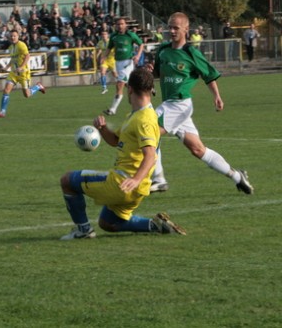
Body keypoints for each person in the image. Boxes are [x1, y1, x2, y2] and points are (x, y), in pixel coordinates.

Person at [59, 67, 186, 240]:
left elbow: (150, 155)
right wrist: (103, 128)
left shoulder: (145, 120)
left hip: (123, 182)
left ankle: (83, 231)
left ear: (130, 89)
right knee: (108, 222)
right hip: (135, 189)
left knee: (67, 181)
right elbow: (115, 140)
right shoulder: (136, 115)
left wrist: (135, 179)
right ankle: (154, 225)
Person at [147, 12, 253, 195]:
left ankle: (159, 179)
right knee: (198, 149)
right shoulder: (163, 50)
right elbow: (157, 73)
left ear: (186, 30)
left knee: (149, 131)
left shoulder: (191, 53)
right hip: (170, 105)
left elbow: (209, 75)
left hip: (179, 105)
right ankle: (237, 177)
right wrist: (150, 78)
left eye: (175, 28)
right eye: (169, 27)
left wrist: (217, 96)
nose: (171, 31)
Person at [0, 31, 46, 118]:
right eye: (11, 36)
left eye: (14, 36)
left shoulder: (21, 45)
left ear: (18, 36)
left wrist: (21, 67)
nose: (13, 37)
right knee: (6, 90)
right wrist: (6, 67)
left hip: (23, 73)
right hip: (14, 73)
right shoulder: (10, 47)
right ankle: (2, 112)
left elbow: (27, 56)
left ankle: (38, 86)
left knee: (27, 95)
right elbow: (13, 59)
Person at [103, 18, 143, 115]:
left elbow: (141, 44)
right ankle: (145, 92)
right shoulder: (113, 36)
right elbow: (109, 48)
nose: (120, 26)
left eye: (122, 24)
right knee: (129, 86)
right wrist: (104, 57)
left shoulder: (130, 35)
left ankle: (113, 109)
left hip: (127, 63)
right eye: (118, 24)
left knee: (119, 84)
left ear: (125, 25)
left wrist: (137, 56)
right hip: (118, 63)